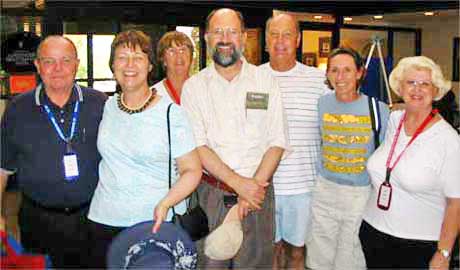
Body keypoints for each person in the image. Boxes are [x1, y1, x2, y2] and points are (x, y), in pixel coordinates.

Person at [181, 8, 290, 269]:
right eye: (218, 32)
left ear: (243, 37)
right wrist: (238, 184)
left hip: (258, 193)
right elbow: (198, 145)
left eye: (232, 32)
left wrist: (251, 189)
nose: (225, 39)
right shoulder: (193, 87)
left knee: (255, 265)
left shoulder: (266, 80)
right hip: (210, 195)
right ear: (206, 38)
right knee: (208, 264)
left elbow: (277, 141)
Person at [86, 30, 202, 268]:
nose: (129, 65)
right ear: (112, 65)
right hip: (102, 219)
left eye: (138, 57)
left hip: (154, 222)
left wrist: (166, 203)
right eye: (122, 57)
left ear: (150, 65)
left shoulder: (172, 113)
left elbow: (192, 170)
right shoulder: (107, 106)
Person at [0, 35, 107, 268]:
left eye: (65, 60)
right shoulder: (18, 109)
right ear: (37, 65)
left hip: (93, 217)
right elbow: (2, 168)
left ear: (76, 64)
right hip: (37, 221)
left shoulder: (100, 104)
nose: (58, 69)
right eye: (49, 61)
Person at [360, 56, 460, 269]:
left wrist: (444, 253)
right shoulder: (395, 120)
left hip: (418, 244)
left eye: (425, 84)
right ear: (399, 86)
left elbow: (456, 203)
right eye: (411, 82)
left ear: (436, 91)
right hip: (373, 232)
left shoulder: (448, 140)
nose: (417, 89)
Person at [306, 47, 390, 270]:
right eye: (334, 70)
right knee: (319, 256)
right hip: (325, 189)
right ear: (328, 75)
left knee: (350, 257)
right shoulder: (321, 104)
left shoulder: (378, 109)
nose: (340, 77)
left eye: (347, 70)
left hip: (360, 195)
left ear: (360, 73)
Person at [260, 13, 329, 270]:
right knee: (270, 254)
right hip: (262, 188)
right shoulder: (251, 78)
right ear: (266, 41)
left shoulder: (319, 81)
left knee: (298, 253)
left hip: (304, 187)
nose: (280, 41)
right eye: (274, 35)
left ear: (298, 39)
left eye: (287, 34)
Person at [152, 31, 194, 104]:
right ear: (163, 59)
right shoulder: (153, 95)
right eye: (171, 51)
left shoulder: (204, 90)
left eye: (182, 50)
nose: (178, 56)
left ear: (191, 57)